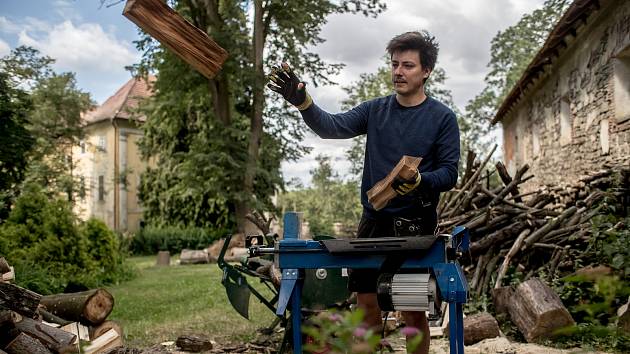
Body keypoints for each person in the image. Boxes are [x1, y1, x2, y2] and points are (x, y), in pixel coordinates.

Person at [268, 30, 460, 354]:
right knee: (366, 310)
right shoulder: (375, 110)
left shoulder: (442, 118)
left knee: (412, 313)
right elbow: (331, 126)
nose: (398, 71)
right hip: (373, 224)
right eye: (395, 64)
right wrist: (303, 102)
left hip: (416, 229)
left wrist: (419, 181)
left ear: (426, 71)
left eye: (408, 66)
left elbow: (449, 174)